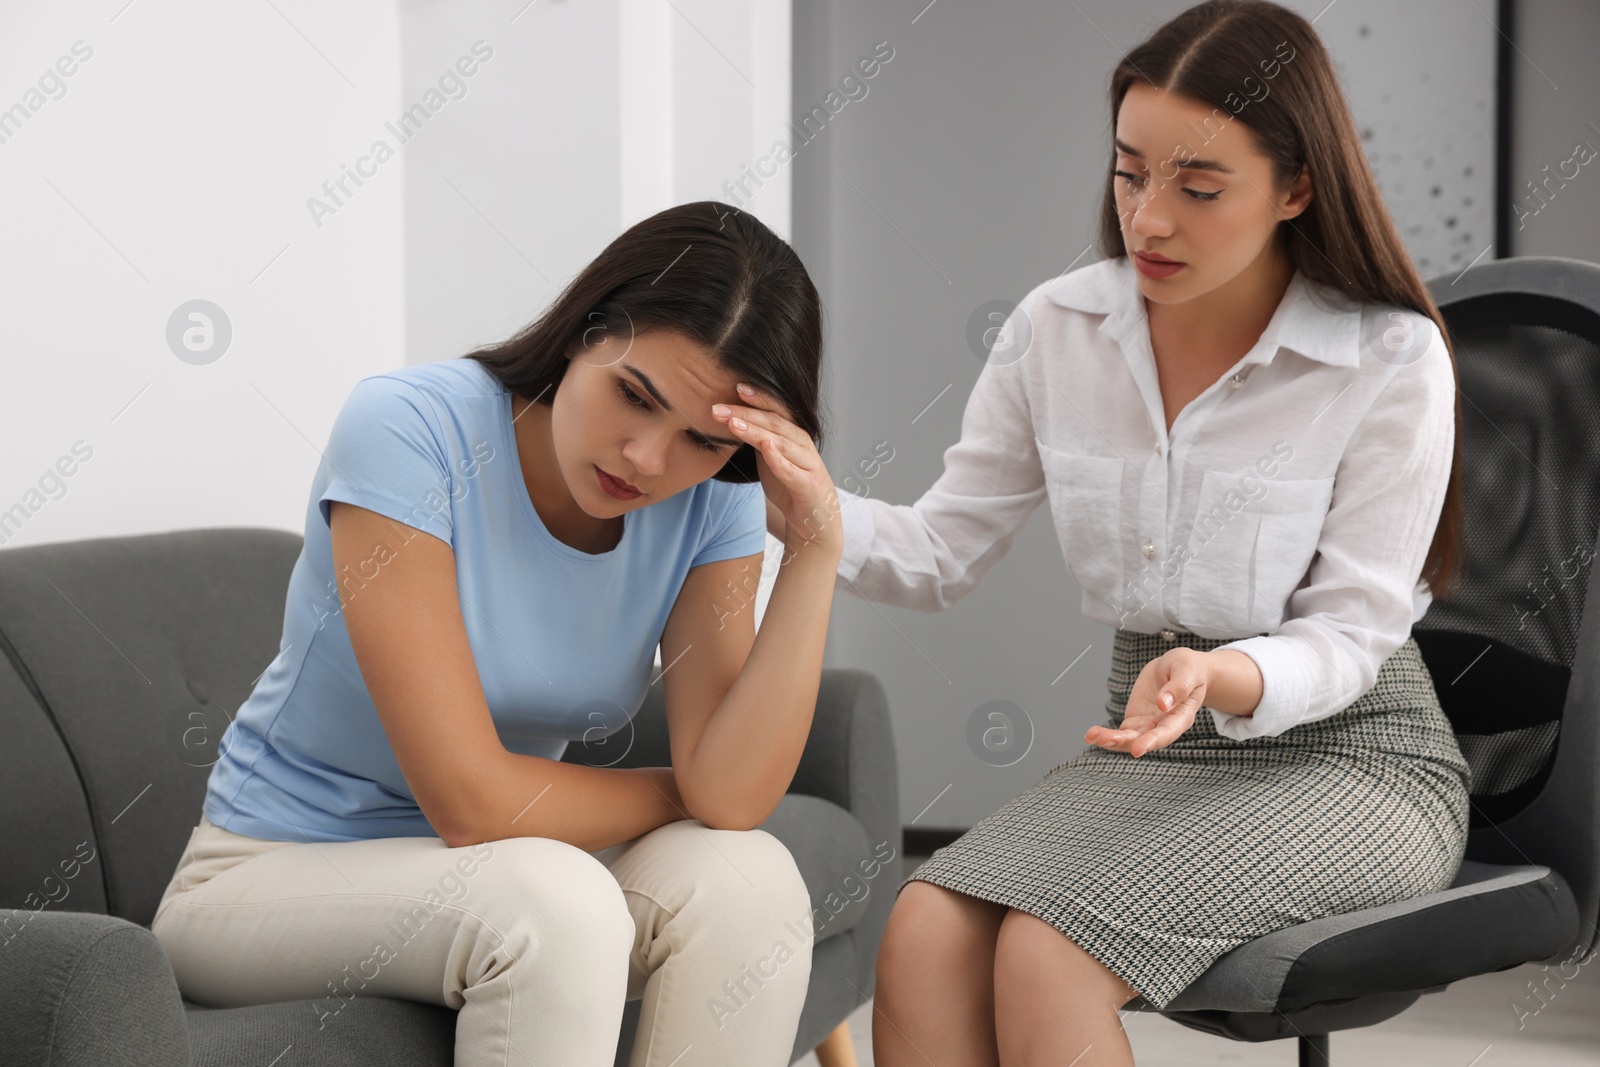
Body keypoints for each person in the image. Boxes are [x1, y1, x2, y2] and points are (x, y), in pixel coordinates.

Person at [798, 3, 1472, 1064]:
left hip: (1355, 760)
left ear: (1296, 187)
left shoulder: (1387, 359)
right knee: (924, 928)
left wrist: (1220, 672)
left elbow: (1352, 635)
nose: (1148, 218)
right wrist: (778, 494)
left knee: (1044, 951)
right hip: (1145, 752)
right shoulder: (1056, 329)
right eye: (1128, 173)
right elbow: (939, 552)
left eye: (1197, 188)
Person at [151, 201, 844, 1067]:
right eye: (635, 395)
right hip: (269, 870)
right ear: (581, 332)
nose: (647, 458)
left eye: (702, 441)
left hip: (499, 865)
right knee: (555, 904)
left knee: (752, 884)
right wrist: (685, 789)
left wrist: (816, 550)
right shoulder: (412, 429)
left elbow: (734, 800)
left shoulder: (712, 500)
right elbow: (471, 802)